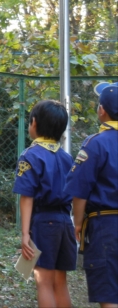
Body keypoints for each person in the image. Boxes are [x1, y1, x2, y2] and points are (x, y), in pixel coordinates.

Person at [13, 100, 76, 308]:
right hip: (65, 223)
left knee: (44, 283)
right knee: (61, 283)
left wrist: (24, 234)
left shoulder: (30, 155)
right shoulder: (68, 158)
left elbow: (27, 196)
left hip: (44, 223)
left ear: (34, 123)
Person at [65, 82, 118, 308]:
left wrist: (77, 223)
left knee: (108, 292)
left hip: (105, 226)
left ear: (101, 110)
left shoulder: (96, 144)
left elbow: (80, 189)